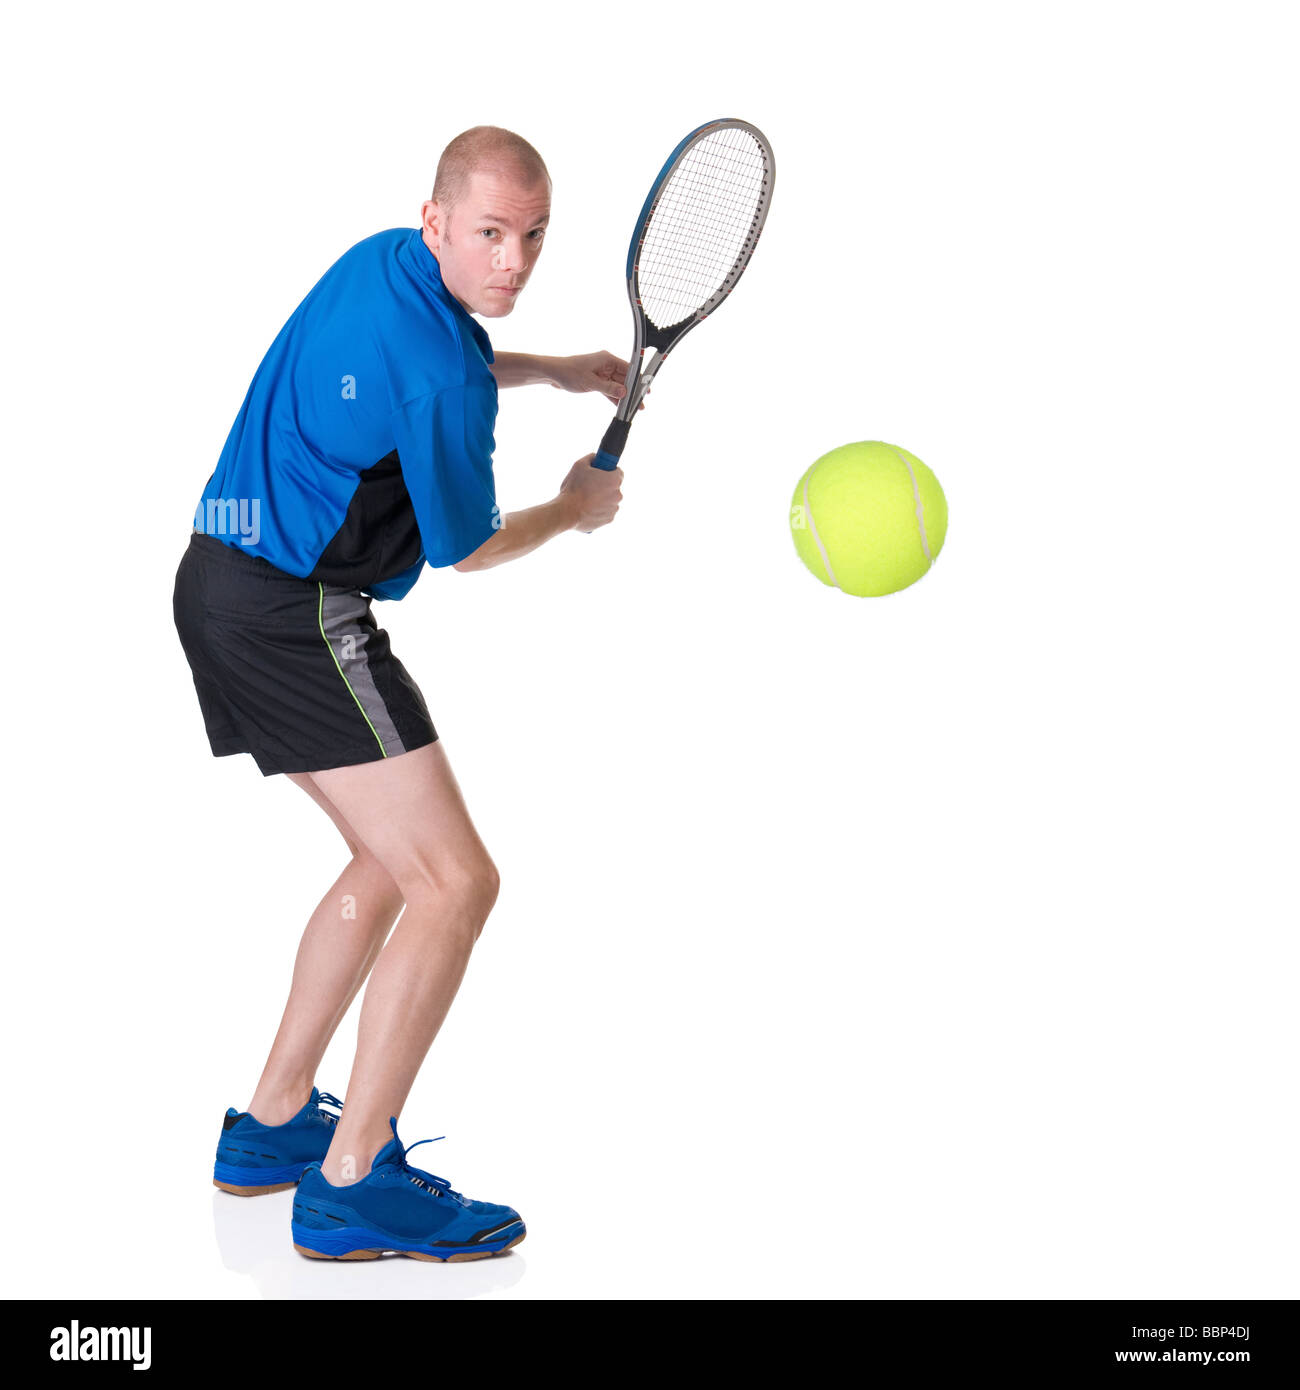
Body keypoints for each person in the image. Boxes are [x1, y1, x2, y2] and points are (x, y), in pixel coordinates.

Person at [174, 126, 626, 1262]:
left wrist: (557, 367)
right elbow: (468, 548)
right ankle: (352, 1176)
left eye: (532, 236)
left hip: (220, 576)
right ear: (437, 222)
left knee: (392, 862)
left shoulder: (384, 260)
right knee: (457, 880)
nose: (511, 260)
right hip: (295, 616)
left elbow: (447, 360)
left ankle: (272, 1125)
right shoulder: (440, 378)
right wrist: (574, 509)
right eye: (488, 233)